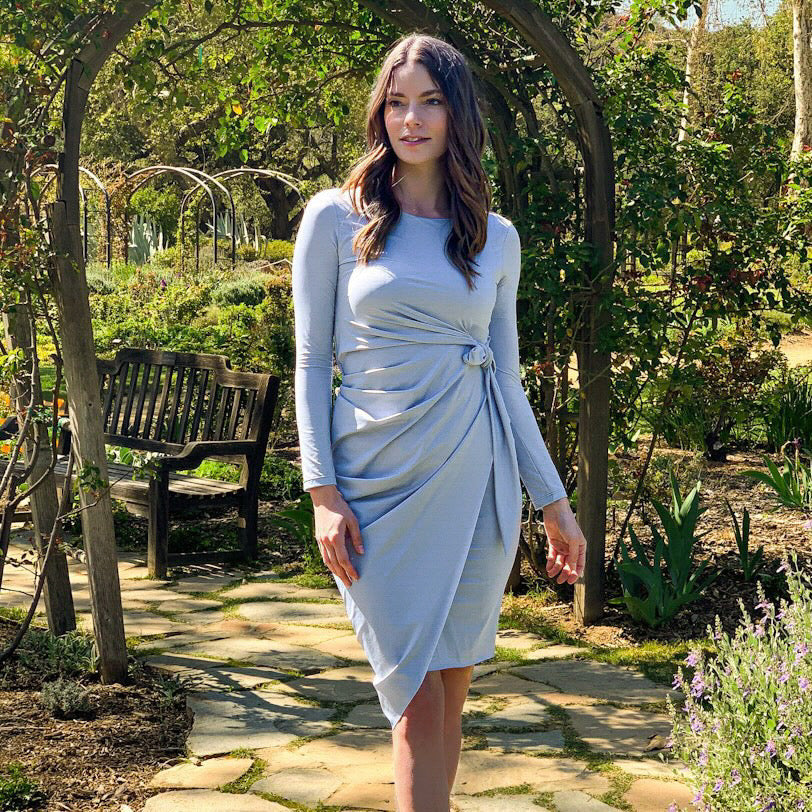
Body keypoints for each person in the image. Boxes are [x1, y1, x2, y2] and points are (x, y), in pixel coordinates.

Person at [292, 32, 588, 812]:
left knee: (448, 694)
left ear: (457, 116)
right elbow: (311, 364)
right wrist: (321, 493)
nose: (410, 119)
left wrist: (553, 504)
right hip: (376, 492)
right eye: (396, 101)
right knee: (415, 692)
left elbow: (509, 382)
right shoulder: (332, 219)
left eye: (428, 102)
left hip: (476, 483)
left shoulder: (497, 238)